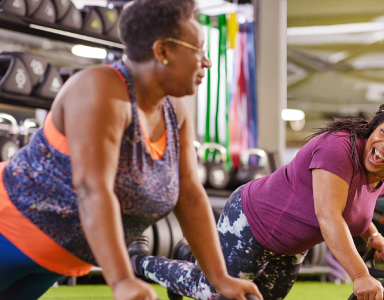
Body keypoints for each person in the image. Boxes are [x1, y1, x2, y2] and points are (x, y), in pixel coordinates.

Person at [0, 0, 261, 299]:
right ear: (162, 51)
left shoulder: (175, 111)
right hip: (8, 234)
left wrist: (219, 278)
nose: (207, 62)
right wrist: (122, 279)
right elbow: (92, 189)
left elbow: (189, 195)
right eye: (198, 50)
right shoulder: (100, 89)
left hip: (52, 259)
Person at [129, 100, 384, 300]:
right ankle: (140, 261)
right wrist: (359, 276)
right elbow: (329, 216)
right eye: (383, 132)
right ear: (374, 125)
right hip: (251, 222)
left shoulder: (382, 177)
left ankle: (193, 255)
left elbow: (352, 210)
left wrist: (373, 236)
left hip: (290, 246)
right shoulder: (338, 149)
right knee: (217, 294)